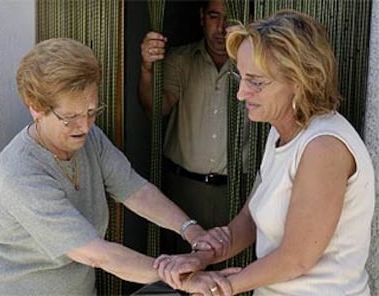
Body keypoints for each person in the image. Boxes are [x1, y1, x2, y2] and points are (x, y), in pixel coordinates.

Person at [0, 38, 234, 296]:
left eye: (92, 112)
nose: (84, 126)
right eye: (70, 117)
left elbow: (134, 189)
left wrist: (191, 230)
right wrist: (181, 277)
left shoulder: (90, 138)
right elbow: (96, 253)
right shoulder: (19, 172)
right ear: (36, 108)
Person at [154, 10, 375, 295]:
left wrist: (220, 287)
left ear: (301, 80)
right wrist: (203, 255)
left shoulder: (324, 148)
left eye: (256, 82)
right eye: (241, 77)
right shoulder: (280, 132)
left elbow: (296, 258)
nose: (241, 93)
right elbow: (251, 217)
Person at [139, 0, 243, 256]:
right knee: (181, 270)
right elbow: (156, 109)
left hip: (238, 189)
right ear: (201, 17)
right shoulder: (181, 60)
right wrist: (146, 69)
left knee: (230, 272)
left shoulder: (255, 65)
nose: (221, 28)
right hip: (184, 188)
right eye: (214, 17)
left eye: (229, 19)